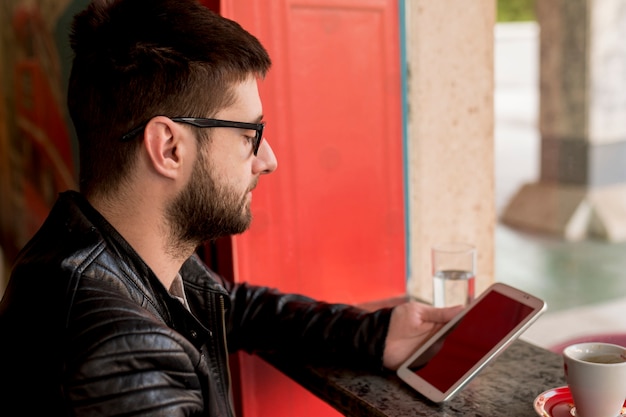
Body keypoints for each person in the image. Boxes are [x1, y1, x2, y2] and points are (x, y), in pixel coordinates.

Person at [0, 0, 461, 415]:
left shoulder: (98, 250)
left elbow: (233, 306)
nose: (268, 160)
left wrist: (376, 334)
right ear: (169, 148)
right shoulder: (119, 356)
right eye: (249, 136)